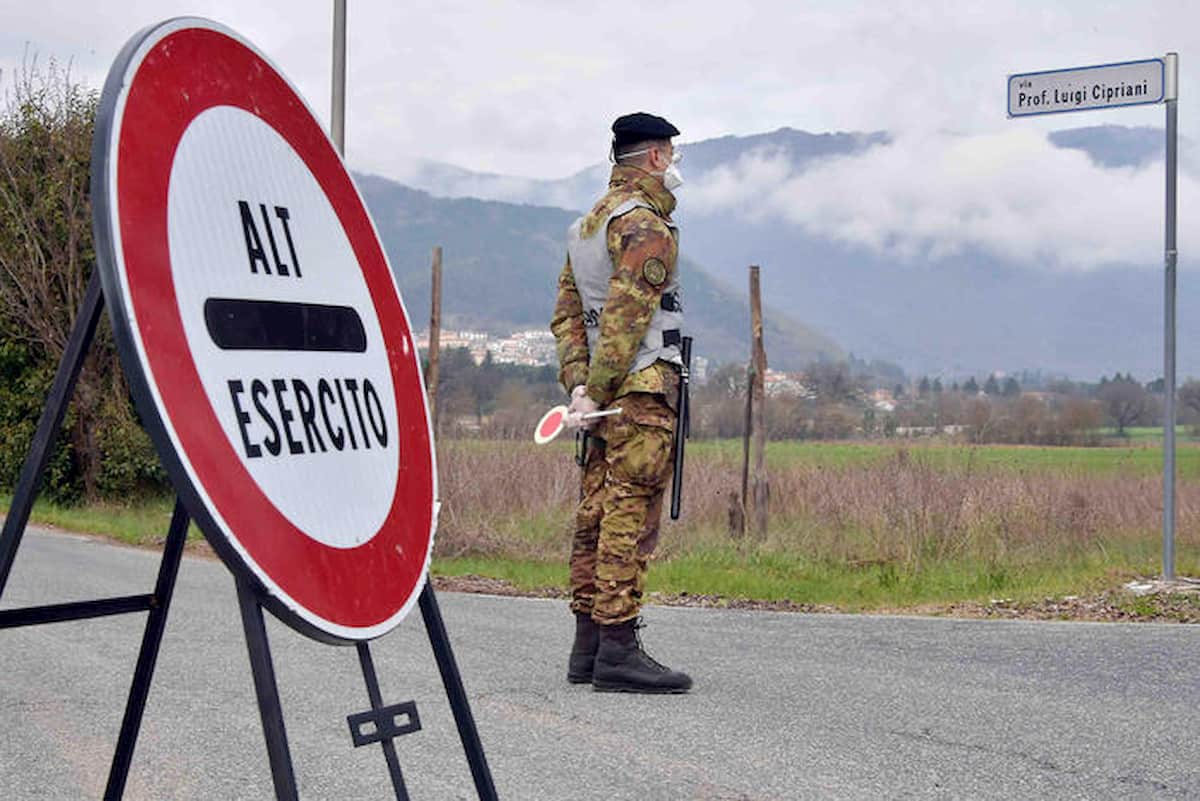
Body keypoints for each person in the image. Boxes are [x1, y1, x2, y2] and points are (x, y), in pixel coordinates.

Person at [549, 112, 691, 694]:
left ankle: (587, 647)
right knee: (629, 516)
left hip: (599, 399)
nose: (676, 165)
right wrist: (603, 390)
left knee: (595, 513)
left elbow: (567, 318)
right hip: (639, 392)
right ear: (655, 157)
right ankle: (618, 646)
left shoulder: (586, 227)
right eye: (673, 153)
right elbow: (627, 320)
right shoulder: (643, 225)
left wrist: (580, 388)